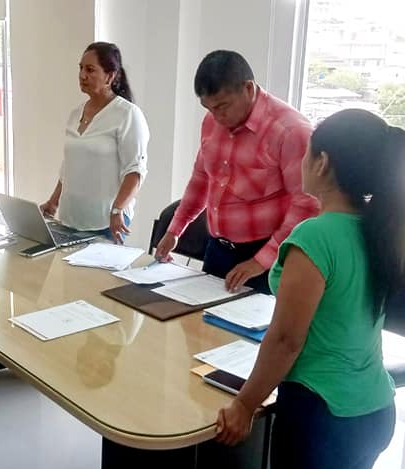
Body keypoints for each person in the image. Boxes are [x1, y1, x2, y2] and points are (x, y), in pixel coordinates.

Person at [215, 109, 405, 469]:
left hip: (321, 422)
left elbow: (286, 340)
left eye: (307, 153)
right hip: (374, 410)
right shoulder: (381, 230)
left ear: (322, 163)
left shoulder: (315, 236)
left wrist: (244, 404)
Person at [154, 50, 319, 293]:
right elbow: (201, 180)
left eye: (223, 106)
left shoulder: (290, 131)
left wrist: (261, 261)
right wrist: (175, 230)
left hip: (265, 259)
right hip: (217, 248)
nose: (216, 116)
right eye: (208, 108)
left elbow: (308, 205)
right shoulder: (212, 121)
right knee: (200, 316)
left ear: (248, 88)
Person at [40, 42, 150, 244]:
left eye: (90, 70)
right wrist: (53, 202)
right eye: (81, 68)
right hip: (70, 219)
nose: (82, 75)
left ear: (110, 76)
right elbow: (68, 168)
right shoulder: (75, 114)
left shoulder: (127, 114)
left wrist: (117, 210)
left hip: (106, 224)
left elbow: (135, 171)